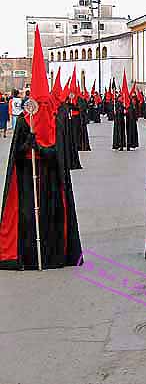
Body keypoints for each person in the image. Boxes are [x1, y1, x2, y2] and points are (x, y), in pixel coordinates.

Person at [0, 27, 83, 270]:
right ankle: (28, 255)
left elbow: (59, 154)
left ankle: (54, 255)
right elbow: (17, 154)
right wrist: (29, 145)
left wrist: (43, 149)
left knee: (52, 219)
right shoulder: (25, 121)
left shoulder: (55, 122)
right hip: (28, 179)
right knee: (28, 217)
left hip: (50, 182)